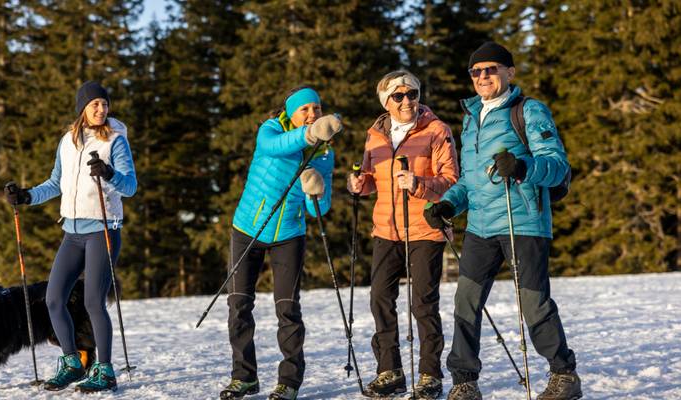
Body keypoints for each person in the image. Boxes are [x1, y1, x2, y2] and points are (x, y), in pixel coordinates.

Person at [424, 42, 581, 400]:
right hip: (480, 226)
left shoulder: (529, 111)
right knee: (465, 302)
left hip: (522, 221)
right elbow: (470, 179)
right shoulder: (470, 117)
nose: (483, 77)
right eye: (476, 72)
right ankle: (464, 381)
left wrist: (523, 167)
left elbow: (557, 166)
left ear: (510, 72)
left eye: (491, 69)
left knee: (534, 303)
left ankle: (564, 375)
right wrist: (447, 205)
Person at [5, 81, 137, 393]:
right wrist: (26, 196)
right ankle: (72, 362)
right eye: (95, 104)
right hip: (72, 233)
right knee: (53, 299)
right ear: (82, 108)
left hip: (103, 231)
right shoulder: (68, 141)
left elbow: (130, 186)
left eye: (104, 104)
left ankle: (105, 370)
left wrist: (108, 174)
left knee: (93, 301)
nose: (101, 109)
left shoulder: (115, 141)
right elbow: (55, 183)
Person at [220, 87, 340, 400]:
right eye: (305, 110)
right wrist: (312, 134)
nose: (312, 114)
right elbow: (276, 147)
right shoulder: (271, 129)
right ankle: (243, 377)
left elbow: (319, 210)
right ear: (290, 112)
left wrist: (316, 191)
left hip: (289, 234)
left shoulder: (324, 152)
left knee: (287, 310)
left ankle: (289, 381)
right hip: (248, 228)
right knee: (239, 305)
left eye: (316, 108)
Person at [348, 70, 459, 399]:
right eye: (399, 96)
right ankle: (390, 371)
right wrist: (359, 185)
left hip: (425, 228)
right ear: (386, 101)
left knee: (422, 304)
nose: (407, 101)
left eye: (412, 94)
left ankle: (429, 376)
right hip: (386, 229)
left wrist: (419, 184)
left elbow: (452, 181)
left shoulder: (437, 131)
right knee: (380, 299)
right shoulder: (375, 135)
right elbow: (370, 180)